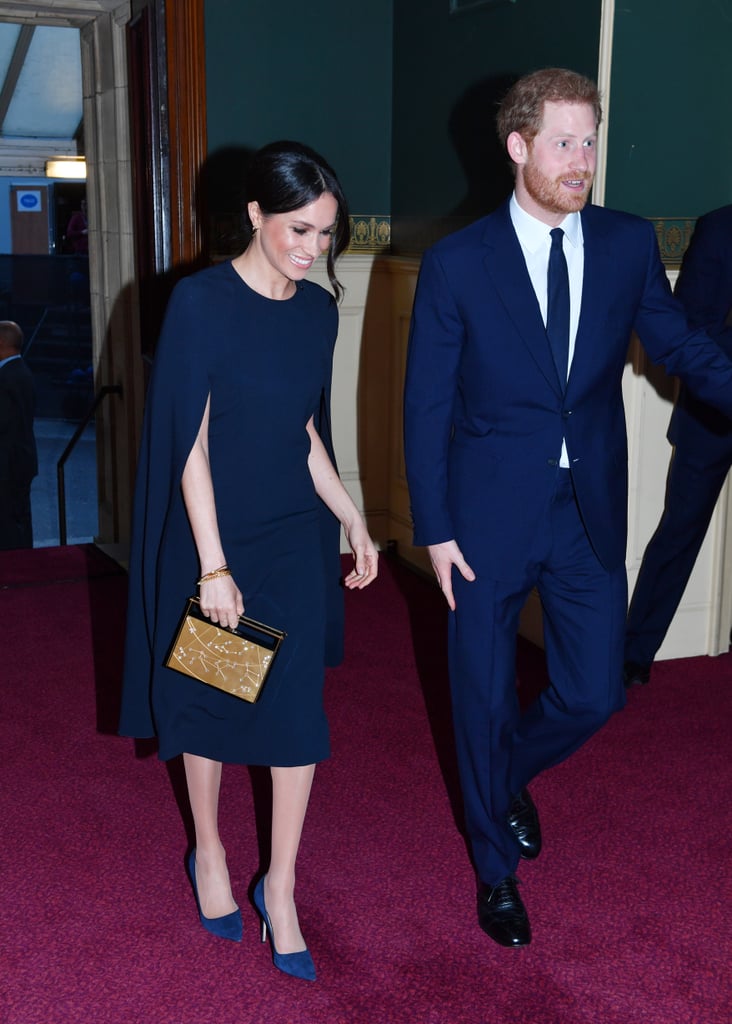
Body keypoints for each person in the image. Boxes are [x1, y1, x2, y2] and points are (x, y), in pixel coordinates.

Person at [403, 68, 732, 948]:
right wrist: (431, 525)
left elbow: (678, 346)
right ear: (518, 147)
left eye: (590, 142)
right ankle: (493, 871)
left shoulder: (625, 245)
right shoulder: (458, 261)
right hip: (481, 517)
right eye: (563, 142)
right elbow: (426, 404)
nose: (582, 161)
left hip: (586, 506)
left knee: (594, 695)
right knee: (477, 693)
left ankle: (502, 775)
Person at [119, 141, 378, 981]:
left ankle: (285, 884)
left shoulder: (314, 311)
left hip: (293, 540)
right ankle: (210, 854)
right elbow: (187, 440)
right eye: (298, 230)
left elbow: (305, 431)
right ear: (257, 215)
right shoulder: (200, 304)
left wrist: (353, 519)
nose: (312, 249)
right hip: (217, 542)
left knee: (298, 717)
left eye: (327, 235)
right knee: (217, 702)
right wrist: (213, 565)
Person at [624, 205, 732, 686]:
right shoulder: (719, 226)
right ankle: (634, 654)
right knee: (679, 532)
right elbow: (687, 326)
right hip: (712, 414)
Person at [0, 320, 38, 550]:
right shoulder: (21, 371)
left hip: (7, 462)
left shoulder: (6, 378)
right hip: (20, 459)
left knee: (8, 522)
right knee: (19, 518)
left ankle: (14, 572)